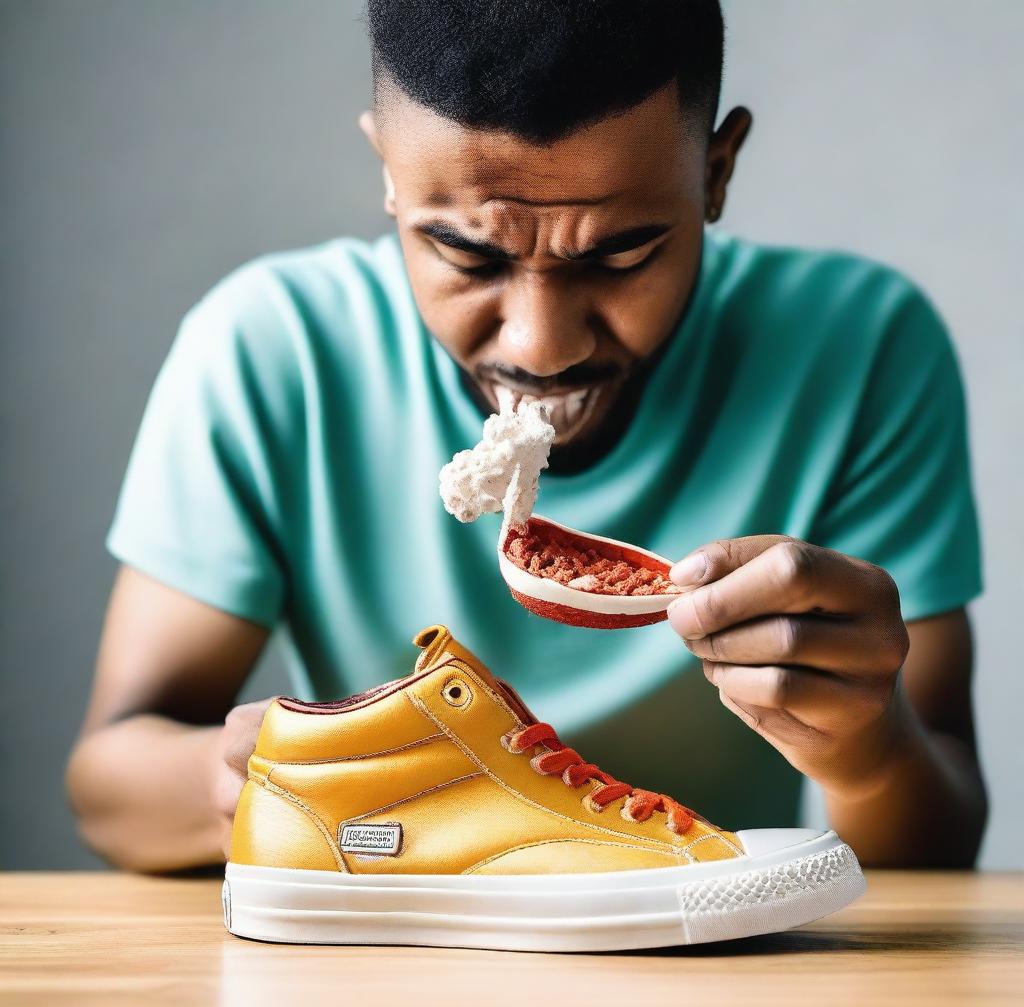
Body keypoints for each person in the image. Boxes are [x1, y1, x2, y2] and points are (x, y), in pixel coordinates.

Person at [66, 0, 986, 872]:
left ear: (716, 171)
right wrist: (273, 781)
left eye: (622, 254)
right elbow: (109, 787)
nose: (540, 345)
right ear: (388, 171)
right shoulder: (272, 349)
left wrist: (866, 749)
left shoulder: (861, 346)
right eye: (468, 254)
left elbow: (940, 839)